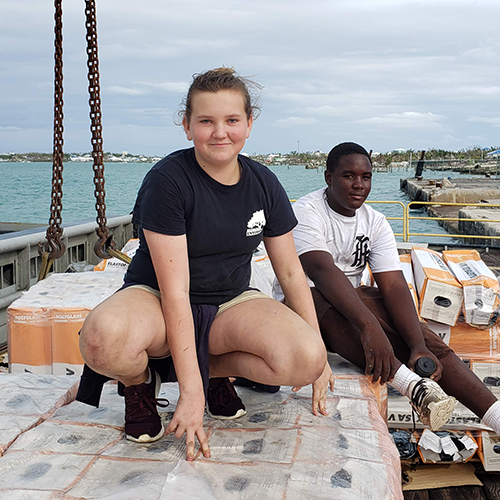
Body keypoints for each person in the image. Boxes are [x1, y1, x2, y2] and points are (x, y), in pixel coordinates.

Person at [78, 68, 333, 462]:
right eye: (206, 121)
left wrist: (322, 361)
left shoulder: (264, 183)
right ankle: (140, 384)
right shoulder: (169, 181)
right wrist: (190, 393)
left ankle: (213, 373)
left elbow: (290, 272)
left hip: (229, 301)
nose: (220, 133)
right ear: (187, 126)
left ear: (249, 124)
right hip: (159, 298)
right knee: (101, 339)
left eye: (232, 120)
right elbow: (176, 291)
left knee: (307, 358)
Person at [274, 141, 500, 434]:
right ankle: (412, 387)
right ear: (329, 177)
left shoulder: (375, 222)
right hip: (303, 309)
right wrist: (371, 328)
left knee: (424, 340)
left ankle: (495, 417)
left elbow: (393, 285)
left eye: (366, 177)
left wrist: (417, 345)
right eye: (348, 176)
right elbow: (322, 270)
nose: (359, 185)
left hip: (350, 305)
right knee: (319, 296)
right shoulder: (307, 212)